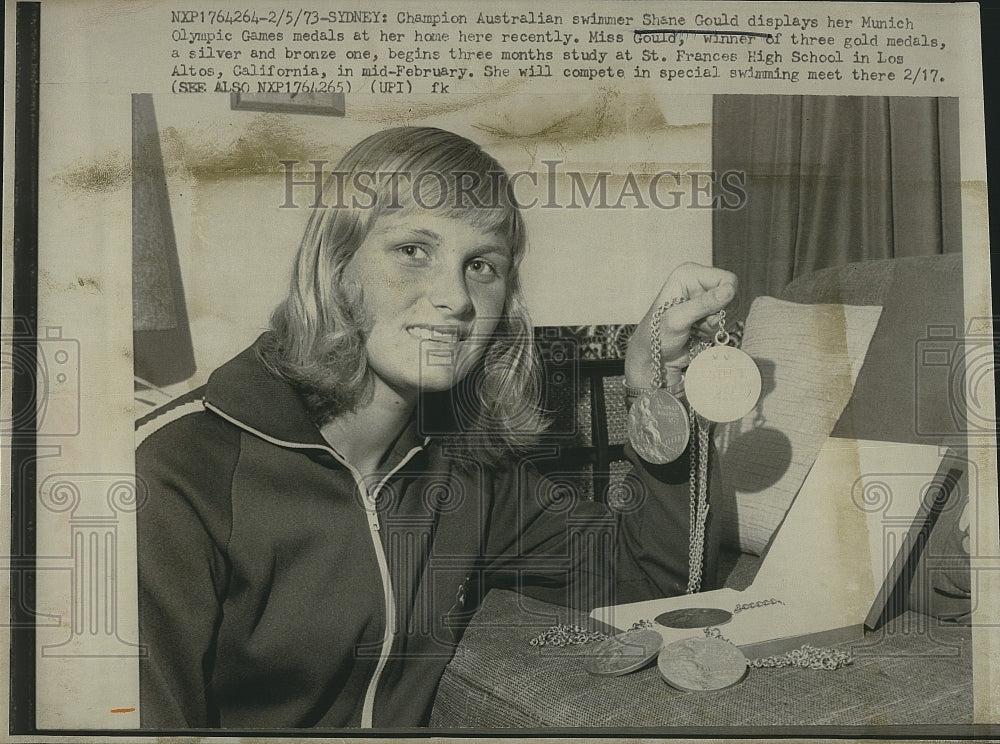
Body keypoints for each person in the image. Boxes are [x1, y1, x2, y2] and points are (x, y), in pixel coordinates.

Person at [135, 126, 738, 728]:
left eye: (481, 265)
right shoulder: (169, 474)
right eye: (413, 250)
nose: (455, 297)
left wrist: (653, 386)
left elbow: (652, 584)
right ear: (337, 265)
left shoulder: (467, 468)